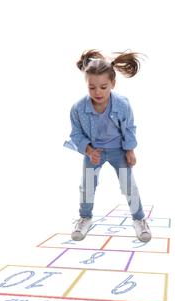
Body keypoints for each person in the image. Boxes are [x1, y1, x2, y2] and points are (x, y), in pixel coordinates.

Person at [64, 49, 151, 243]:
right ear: (86, 85)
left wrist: (130, 150)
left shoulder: (122, 104)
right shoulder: (78, 108)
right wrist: (88, 150)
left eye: (103, 87)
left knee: (129, 185)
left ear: (112, 83)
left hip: (118, 150)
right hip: (93, 151)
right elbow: (76, 134)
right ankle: (85, 217)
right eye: (92, 87)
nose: (98, 92)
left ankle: (139, 219)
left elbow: (129, 128)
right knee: (87, 186)